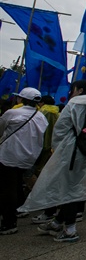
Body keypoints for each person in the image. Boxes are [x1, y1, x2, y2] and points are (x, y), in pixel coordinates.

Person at [20, 80, 86, 243]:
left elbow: (60, 130)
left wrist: (57, 150)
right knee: (75, 186)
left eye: (73, 89)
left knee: (68, 189)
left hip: (72, 152)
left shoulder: (74, 104)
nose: (71, 92)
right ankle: (58, 222)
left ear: (79, 90)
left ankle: (70, 230)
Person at [0, 88, 48, 235]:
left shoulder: (12, 113)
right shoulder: (41, 117)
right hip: (29, 157)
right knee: (16, 184)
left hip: (9, 155)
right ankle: (19, 208)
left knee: (7, 188)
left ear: (22, 100)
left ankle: (9, 223)